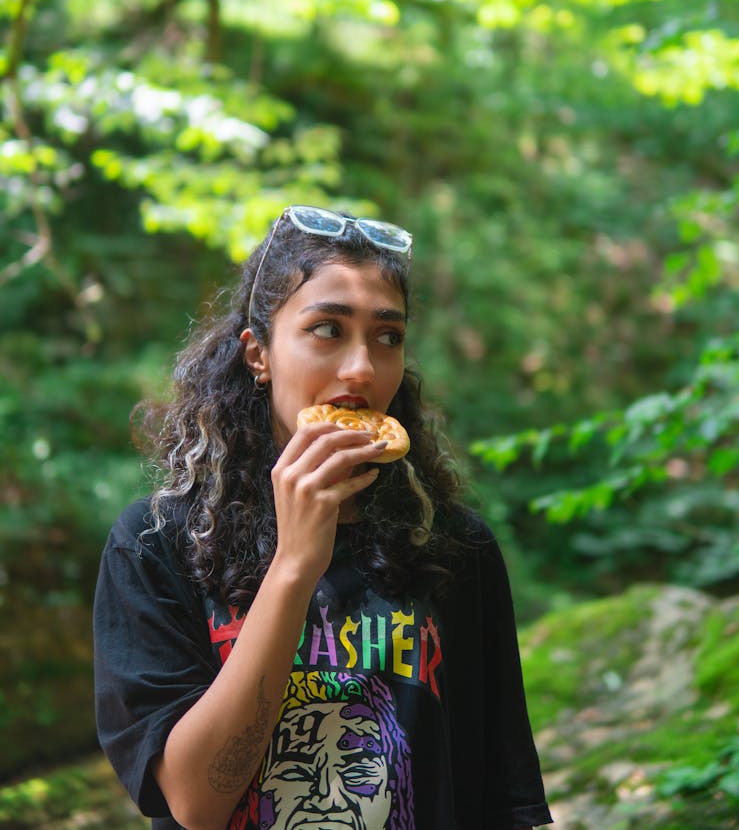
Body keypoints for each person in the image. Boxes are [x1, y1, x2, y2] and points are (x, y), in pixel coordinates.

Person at [94, 205, 553, 830]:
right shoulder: (155, 544)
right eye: (327, 330)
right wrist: (294, 565)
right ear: (258, 355)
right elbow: (196, 803)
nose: (362, 367)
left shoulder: (454, 546)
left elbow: (508, 800)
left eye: (387, 337)